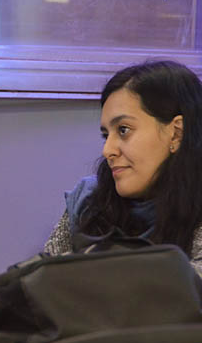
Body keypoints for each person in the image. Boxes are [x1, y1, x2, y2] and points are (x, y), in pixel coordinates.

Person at [43, 60, 202, 272]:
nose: (107, 150)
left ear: (176, 133)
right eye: (106, 135)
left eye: (123, 130)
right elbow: (43, 288)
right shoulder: (88, 201)